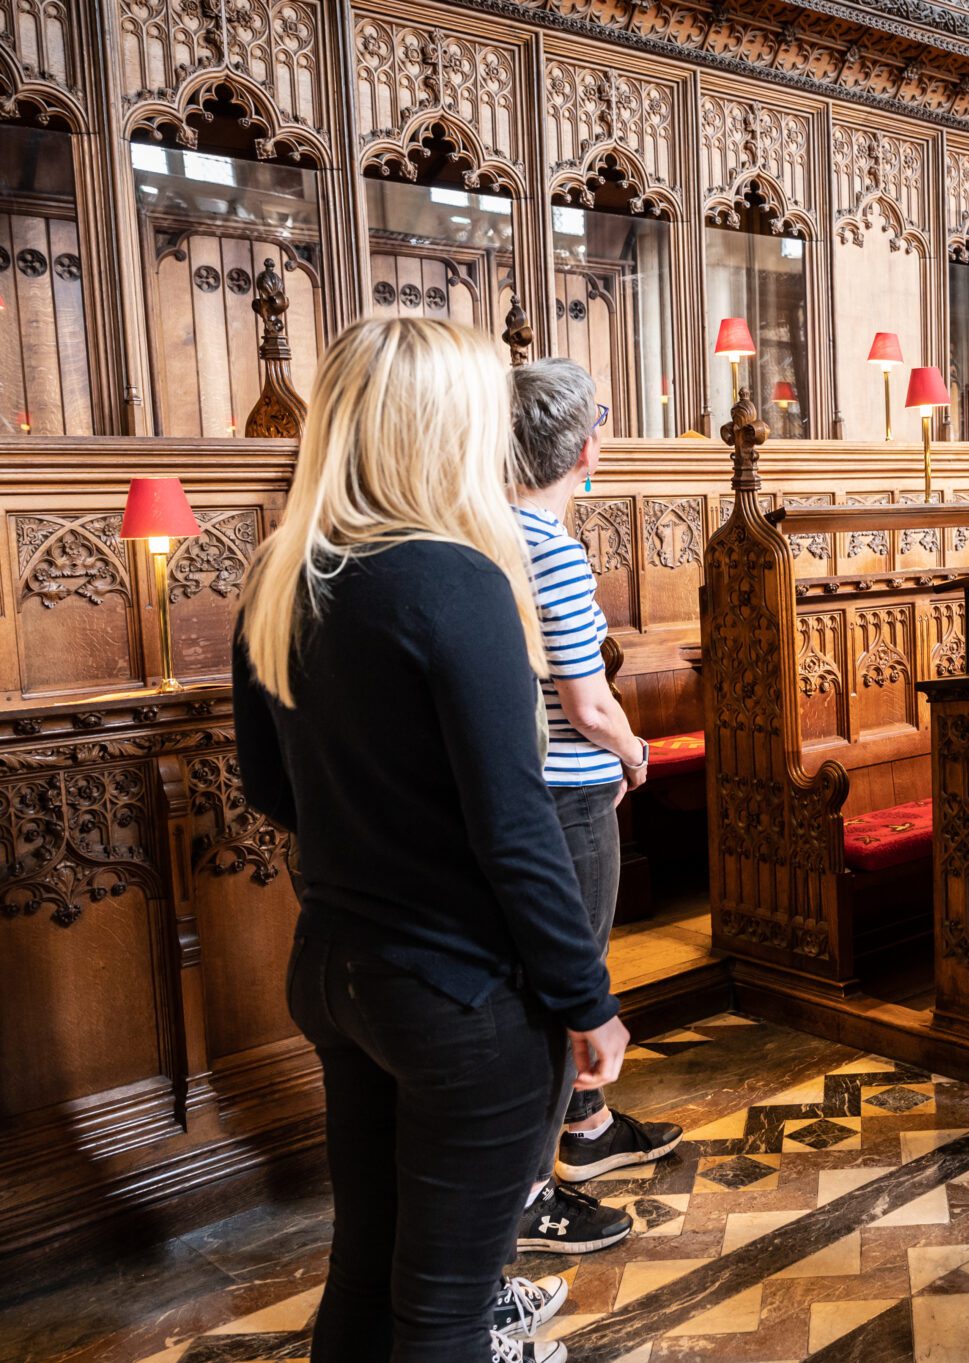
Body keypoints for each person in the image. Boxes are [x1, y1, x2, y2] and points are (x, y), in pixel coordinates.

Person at [232, 318, 628, 1363]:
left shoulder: (283, 570)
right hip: (457, 996)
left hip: (334, 968)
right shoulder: (456, 578)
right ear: (448, 423)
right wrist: (587, 999)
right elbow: (513, 826)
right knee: (446, 1310)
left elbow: (271, 787)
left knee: (364, 1275)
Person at [506, 359, 680, 1253]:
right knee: (571, 982)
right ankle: (533, 1187)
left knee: (557, 977)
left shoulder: (487, 532)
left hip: (519, 787)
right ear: (586, 451)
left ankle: (588, 1127)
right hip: (569, 797)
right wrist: (636, 749)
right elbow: (588, 701)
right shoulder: (552, 548)